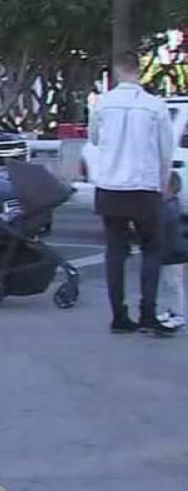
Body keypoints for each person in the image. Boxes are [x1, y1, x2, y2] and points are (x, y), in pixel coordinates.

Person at [88, 51, 177, 336]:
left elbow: (94, 138)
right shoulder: (155, 106)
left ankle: (119, 316)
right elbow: (166, 150)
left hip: (110, 187)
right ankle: (148, 313)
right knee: (152, 249)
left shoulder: (102, 104)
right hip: (144, 187)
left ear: (116, 72)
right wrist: (164, 184)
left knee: (115, 251)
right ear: (139, 71)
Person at [159, 171, 187, 328]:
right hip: (171, 251)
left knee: (174, 284)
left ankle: (179, 315)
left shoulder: (169, 207)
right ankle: (171, 311)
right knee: (169, 284)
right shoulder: (172, 204)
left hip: (174, 252)